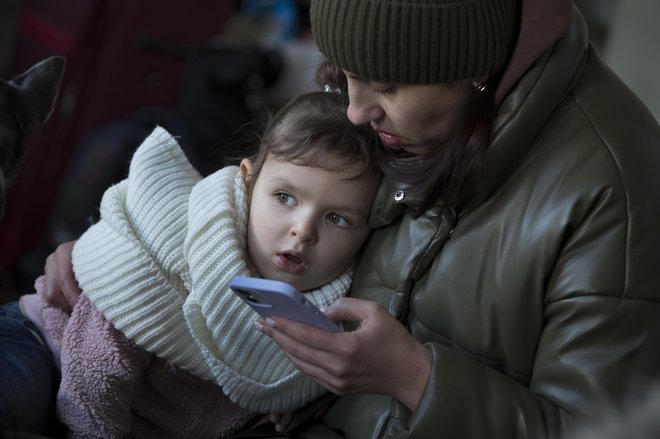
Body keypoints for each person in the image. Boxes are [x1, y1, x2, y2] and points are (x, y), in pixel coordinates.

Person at [40, 0, 660, 437]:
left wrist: (415, 378)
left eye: (384, 86)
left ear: (476, 74)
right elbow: (283, 201)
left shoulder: (618, 190)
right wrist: (123, 266)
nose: (358, 113)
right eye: (345, 78)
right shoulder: (416, 112)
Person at [0, 91, 381, 438]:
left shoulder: (327, 323)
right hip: (49, 347)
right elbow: (96, 370)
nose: (303, 230)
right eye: (284, 197)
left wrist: (284, 398)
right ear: (248, 183)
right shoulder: (180, 242)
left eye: (338, 219)